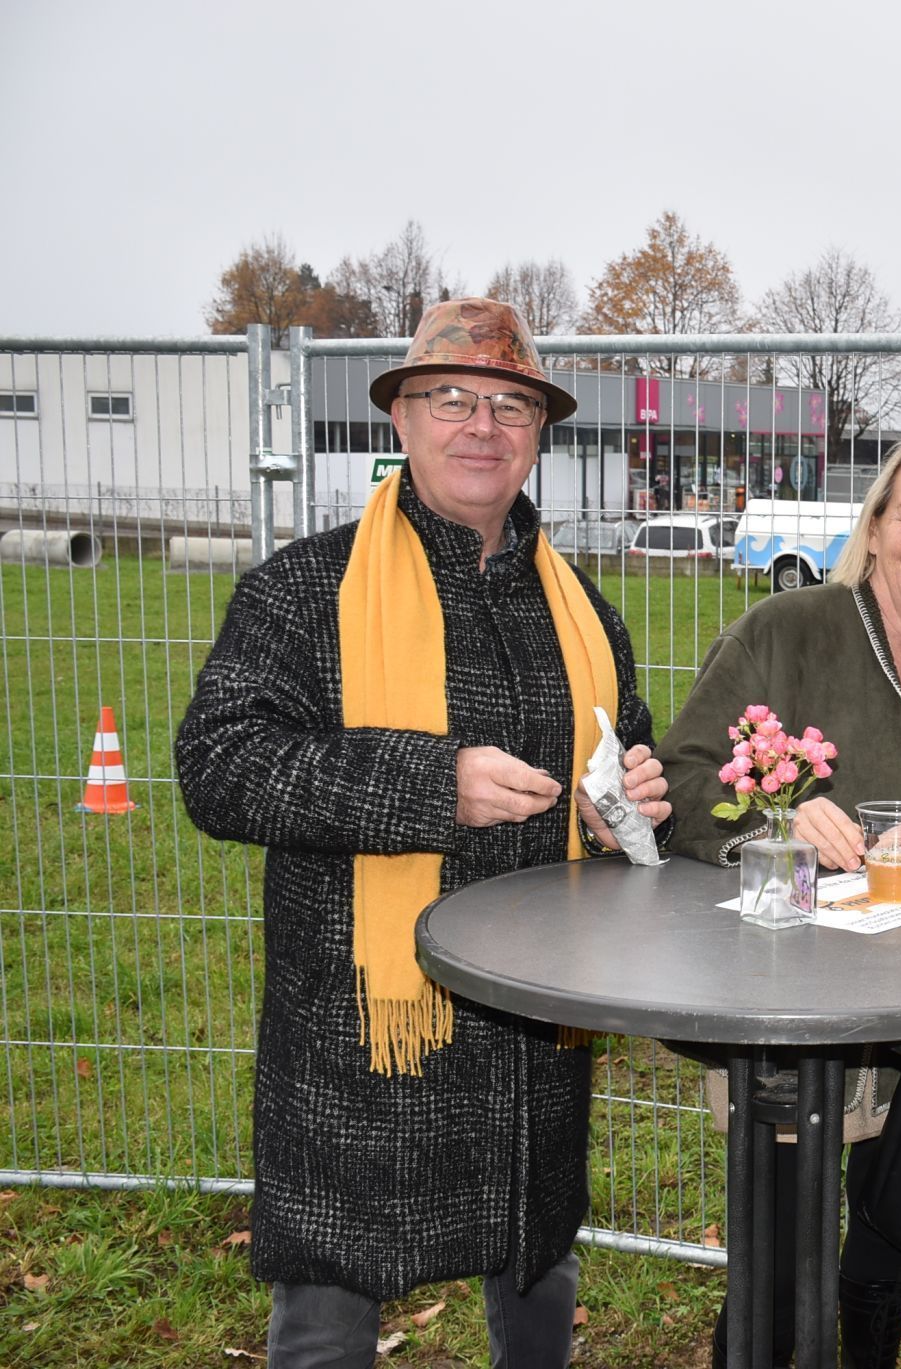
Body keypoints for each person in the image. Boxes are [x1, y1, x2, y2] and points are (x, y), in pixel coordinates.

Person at [176, 297, 672, 1369]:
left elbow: (617, 747)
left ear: (539, 434)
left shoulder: (581, 606)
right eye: (450, 398)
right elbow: (218, 768)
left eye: (508, 404)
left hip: (533, 1028)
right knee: (330, 1308)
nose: (480, 425)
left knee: (537, 1271)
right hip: (364, 1022)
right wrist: (429, 783)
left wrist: (626, 792)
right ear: (399, 420)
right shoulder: (304, 589)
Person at [656, 437, 901, 1368]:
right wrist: (779, 821)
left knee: (886, 1239)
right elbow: (682, 775)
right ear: (874, 529)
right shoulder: (786, 630)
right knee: (780, 1258)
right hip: (791, 1007)